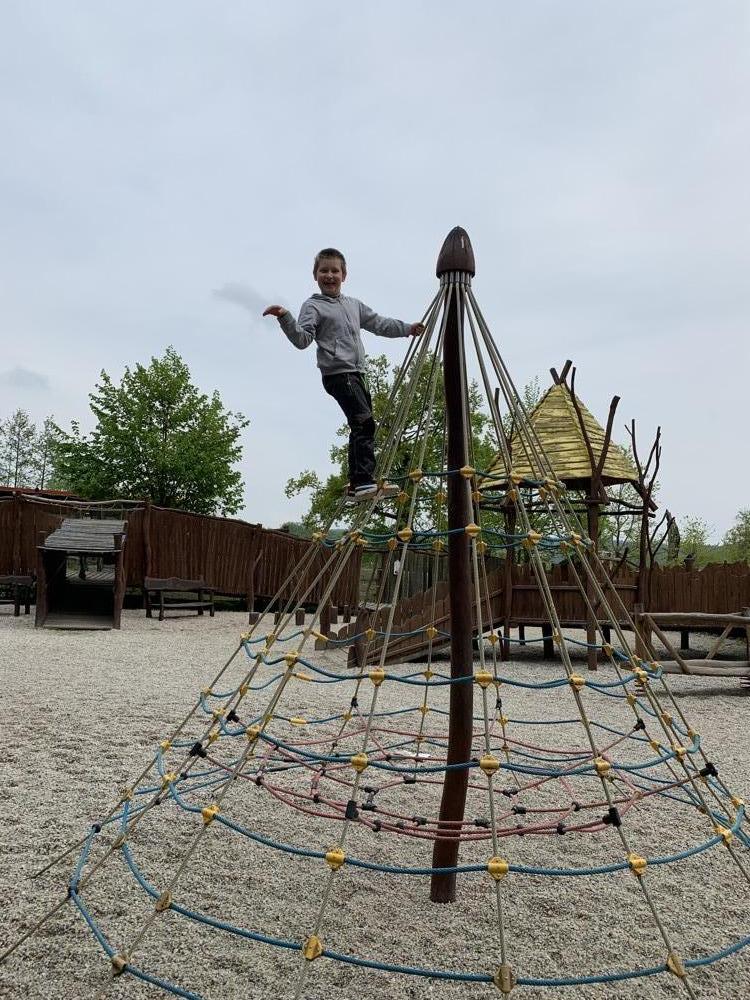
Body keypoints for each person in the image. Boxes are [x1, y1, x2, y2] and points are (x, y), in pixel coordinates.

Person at [264, 247, 424, 500]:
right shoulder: (313, 306)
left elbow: (379, 323)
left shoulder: (353, 305)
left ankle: (356, 482)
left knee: (359, 424)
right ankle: (364, 482)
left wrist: (407, 329)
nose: (329, 275)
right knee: (364, 423)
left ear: (344, 275)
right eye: (324, 271)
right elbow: (302, 340)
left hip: (357, 373)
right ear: (315, 275)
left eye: (334, 271)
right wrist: (285, 317)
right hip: (339, 373)